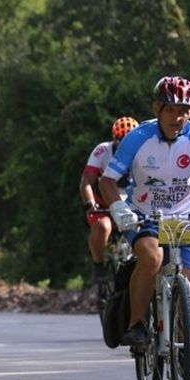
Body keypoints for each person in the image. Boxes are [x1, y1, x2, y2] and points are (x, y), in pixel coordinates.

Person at [100, 76, 190, 348]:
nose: (178, 118)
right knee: (153, 257)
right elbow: (107, 180)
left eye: (184, 111)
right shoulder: (138, 137)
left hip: (182, 218)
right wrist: (118, 208)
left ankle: (184, 341)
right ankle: (137, 324)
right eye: (172, 110)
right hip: (143, 216)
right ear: (156, 108)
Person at [79, 116, 139, 290]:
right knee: (102, 226)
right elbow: (87, 181)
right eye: (122, 142)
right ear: (114, 139)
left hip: (132, 205)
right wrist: (90, 203)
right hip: (104, 204)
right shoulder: (102, 151)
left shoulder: (143, 152)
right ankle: (98, 266)